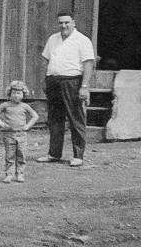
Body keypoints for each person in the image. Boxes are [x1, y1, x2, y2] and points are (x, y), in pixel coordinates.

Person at [37, 10, 95, 167]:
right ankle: (54, 154)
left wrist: (84, 86)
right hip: (53, 81)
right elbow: (45, 60)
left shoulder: (82, 40)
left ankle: (78, 155)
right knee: (55, 119)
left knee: (75, 118)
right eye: (61, 23)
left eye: (67, 22)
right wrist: (44, 80)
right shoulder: (53, 39)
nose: (64, 25)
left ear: (73, 23)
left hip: (72, 82)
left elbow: (88, 64)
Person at [0, 80, 40, 183]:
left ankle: (20, 174)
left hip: (21, 135)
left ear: (23, 94)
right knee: (9, 155)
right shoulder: (5, 105)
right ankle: (9, 175)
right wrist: (1, 124)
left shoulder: (25, 106)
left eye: (18, 93)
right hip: (9, 135)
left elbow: (35, 116)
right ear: (9, 94)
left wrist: (28, 126)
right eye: (13, 93)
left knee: (21, 155)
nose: (16, 95)